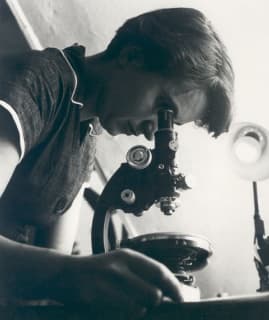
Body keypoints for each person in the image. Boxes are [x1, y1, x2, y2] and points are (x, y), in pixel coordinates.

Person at [0, 6, 234, 316]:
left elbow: (54, 260)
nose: (154, 132)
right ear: (132, 56)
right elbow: (62, 272)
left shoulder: (85, 136)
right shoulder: (39, 83)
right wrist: (75, 276)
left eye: (170, 124)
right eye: (163, 108)